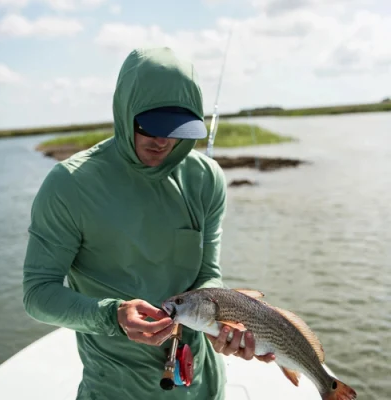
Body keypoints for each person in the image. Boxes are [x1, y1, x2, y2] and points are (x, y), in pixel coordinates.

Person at [23, 46, 274, 400]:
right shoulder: (69, 184)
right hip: (116, 386)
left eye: (177, 129)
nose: (163, 141)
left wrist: (224, 324)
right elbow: (38, 294)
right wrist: (112, 316)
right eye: (151, 126)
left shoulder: (206, 178)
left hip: (201, 382)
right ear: (125, 113)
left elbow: (208, 275)